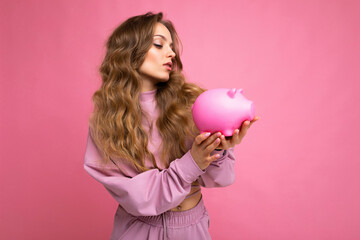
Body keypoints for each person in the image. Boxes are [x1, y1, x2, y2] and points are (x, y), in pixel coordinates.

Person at [83, 11, 259, 240]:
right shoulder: (106, 123)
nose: (172, 53)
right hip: (137, 230)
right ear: (129, 52)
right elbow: (138, 199)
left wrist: (218, 148)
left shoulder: (192, 104)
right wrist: (192, 162)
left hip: (191, 228)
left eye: (171, 46)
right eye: (158, 44)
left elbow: (221, 179)